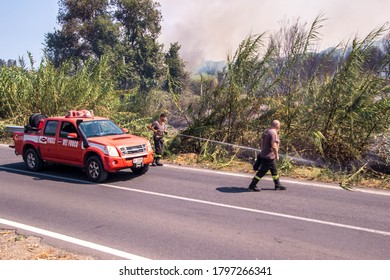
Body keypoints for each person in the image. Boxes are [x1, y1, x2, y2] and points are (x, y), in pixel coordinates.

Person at [248, 120, 287, 192]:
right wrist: (277, 155)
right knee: (262, 172)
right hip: (268, 156)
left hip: (266, 154)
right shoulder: (273, 133)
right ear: (278, 126)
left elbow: (262, 142)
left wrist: (263, 150)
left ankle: (277, 185)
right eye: (279, 126)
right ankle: (252, 185)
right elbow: (274, 146)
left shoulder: (266, 131)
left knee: (274, 171)